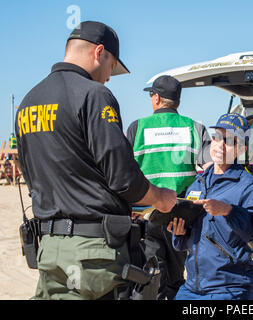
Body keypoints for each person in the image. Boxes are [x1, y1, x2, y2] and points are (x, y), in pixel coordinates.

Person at [15, 21, 177, 300]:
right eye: (111, 67)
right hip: (94, 256)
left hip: (50, 251)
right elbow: (124, 178)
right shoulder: (94, 95)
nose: (109, 78)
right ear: (99, 52)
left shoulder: (28, 101)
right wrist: (161, 198)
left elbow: (32, 174)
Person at [167, 113, 253, 300]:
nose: (220, 145)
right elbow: (190, 237)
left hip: (229, 289)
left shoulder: (248, 186)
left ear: (241, 149)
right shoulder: (198, 183)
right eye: (216, 138)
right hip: (192, 287)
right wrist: (180, 233)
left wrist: (229, 211)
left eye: (228, 140)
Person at [126, 75, 212, 300]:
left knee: (149, 279)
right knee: (175, 279)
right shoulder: (195, 128)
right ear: (178, 102)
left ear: (156, 98)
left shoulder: (138, 128)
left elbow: (124, 174)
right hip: (180, 219)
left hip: (146, 216)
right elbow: (211, 169)